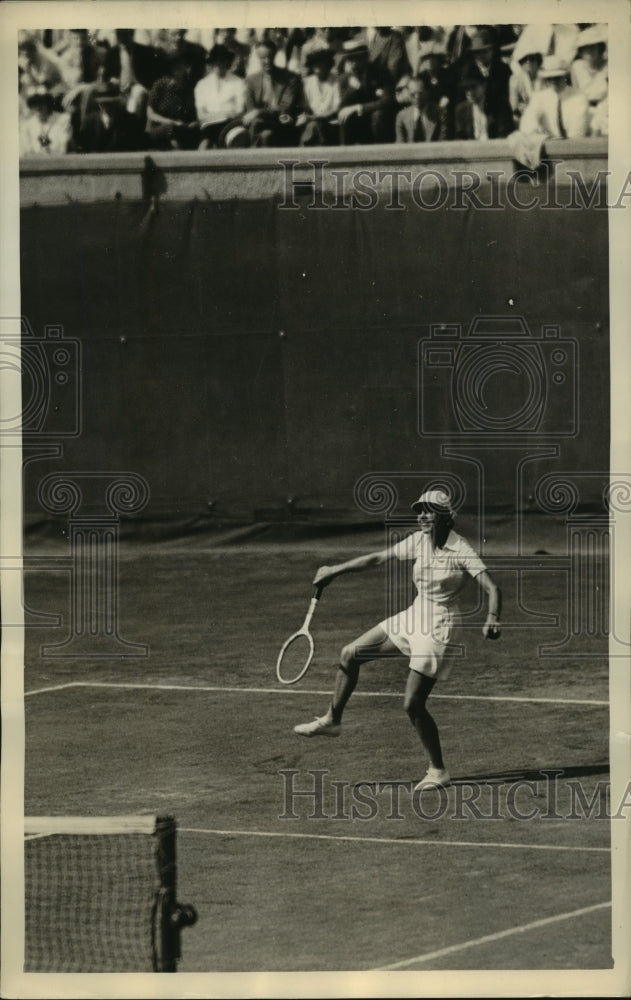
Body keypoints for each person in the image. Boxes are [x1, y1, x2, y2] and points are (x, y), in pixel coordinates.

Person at [293, 490, 502, 790]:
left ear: (444, 517)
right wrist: (334, 571)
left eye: (429, 511)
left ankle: (438, 770)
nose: (422, 516)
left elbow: (492, 588)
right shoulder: (418, 540)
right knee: (350, 654)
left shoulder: (462, 549)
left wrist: (493, 617)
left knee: (413, 704)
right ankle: (332, 720)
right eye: (420, 511)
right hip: (415, 614)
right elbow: (377, 558)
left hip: (439, 625)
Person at [243, 39, 303, 147]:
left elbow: (284, 108)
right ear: (258, 58)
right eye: (263, 58)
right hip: (260, 124)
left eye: (270, 56)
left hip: (282, 124)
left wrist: (260, 112)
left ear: (275, 55)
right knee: (263, 132)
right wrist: (257, 113)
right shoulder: (251, 80)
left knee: (262, 130)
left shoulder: (290, 78)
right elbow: (250, 109)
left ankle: (252, 157)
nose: (267, 61)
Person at [519, 55, 589, 139]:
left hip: (575, 145)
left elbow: (577, 131)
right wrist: (536, 135)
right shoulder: (539, 97)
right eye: (549, 78)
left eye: (557, 77)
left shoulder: (579, 97)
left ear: (565, 76)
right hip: (549, 145)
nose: (553, 81)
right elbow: (528, 122)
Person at [195, 44, 247, 148]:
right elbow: (201, 115)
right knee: (205, 145)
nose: (219, 64)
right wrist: (225, 115)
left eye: (222, 61)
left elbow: (240, 111)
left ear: (227, 61)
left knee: (237, 139)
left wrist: (221, 116)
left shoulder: (238, 82)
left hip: (231, 125)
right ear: (211, 63)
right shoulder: (202, 84)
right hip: (209, 127)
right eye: (215, 61)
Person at [299, 48, 340, 146]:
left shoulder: (336, 81)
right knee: (312, 126)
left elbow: (336, 108)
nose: (317, 70)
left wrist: (314, 117)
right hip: (312, 123)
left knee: (313, 126)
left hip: (331, 124)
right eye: (315, 66)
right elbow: (306, 107)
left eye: (321, 66)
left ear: (328, 66)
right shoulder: (308, 82)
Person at [395, 72, 448, 143]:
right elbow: (400, 145)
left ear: (427, 91)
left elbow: (443, 142)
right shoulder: (402, 116)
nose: (417, 97)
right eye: (412, 94)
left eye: (420, 93)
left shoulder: (440, 114)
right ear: (408, 93)